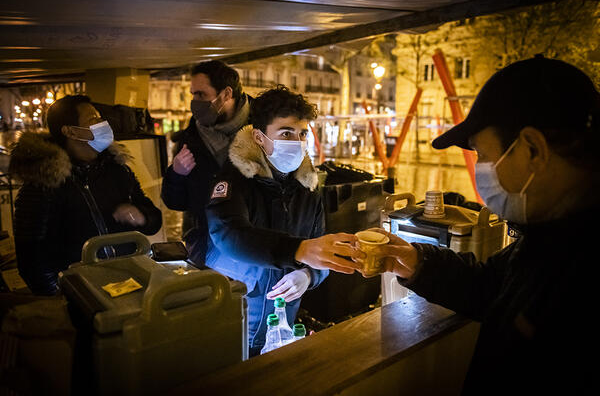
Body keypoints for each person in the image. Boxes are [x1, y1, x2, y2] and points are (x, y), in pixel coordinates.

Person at [350, 56, 600, 394]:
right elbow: (491, 285)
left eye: (482, 154)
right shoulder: (547, 236)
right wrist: (417, 262)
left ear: (532, 149)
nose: (481, 169)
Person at [206, 86, 360, 356]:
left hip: (283, 323)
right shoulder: (233, 181)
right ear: (260, 137)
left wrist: (309, 274)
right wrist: (296, 250)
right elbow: (228, 235)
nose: (297, 141)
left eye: (302, 134)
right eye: (286, 133)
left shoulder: (308, 187)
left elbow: (318, 246)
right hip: (238, 319)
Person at [9, 95, 162, 295]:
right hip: (82, 295)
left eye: (100, 118)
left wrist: (142, 216)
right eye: (93, 120)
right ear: (70, 131)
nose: (103, 124)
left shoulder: (117, 170)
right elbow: (31, 260)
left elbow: (154, 219)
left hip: (129, 283)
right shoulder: (42, 185)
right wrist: (64, 299)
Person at [161, 60, 251, 265]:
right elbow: (175, 202)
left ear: (226, 94)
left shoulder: (264, 128)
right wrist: (176, 174)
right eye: (193, 94)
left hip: (252, 247)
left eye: (201, 94)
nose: (194, 102)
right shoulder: (189, 139)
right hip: (207, 250)